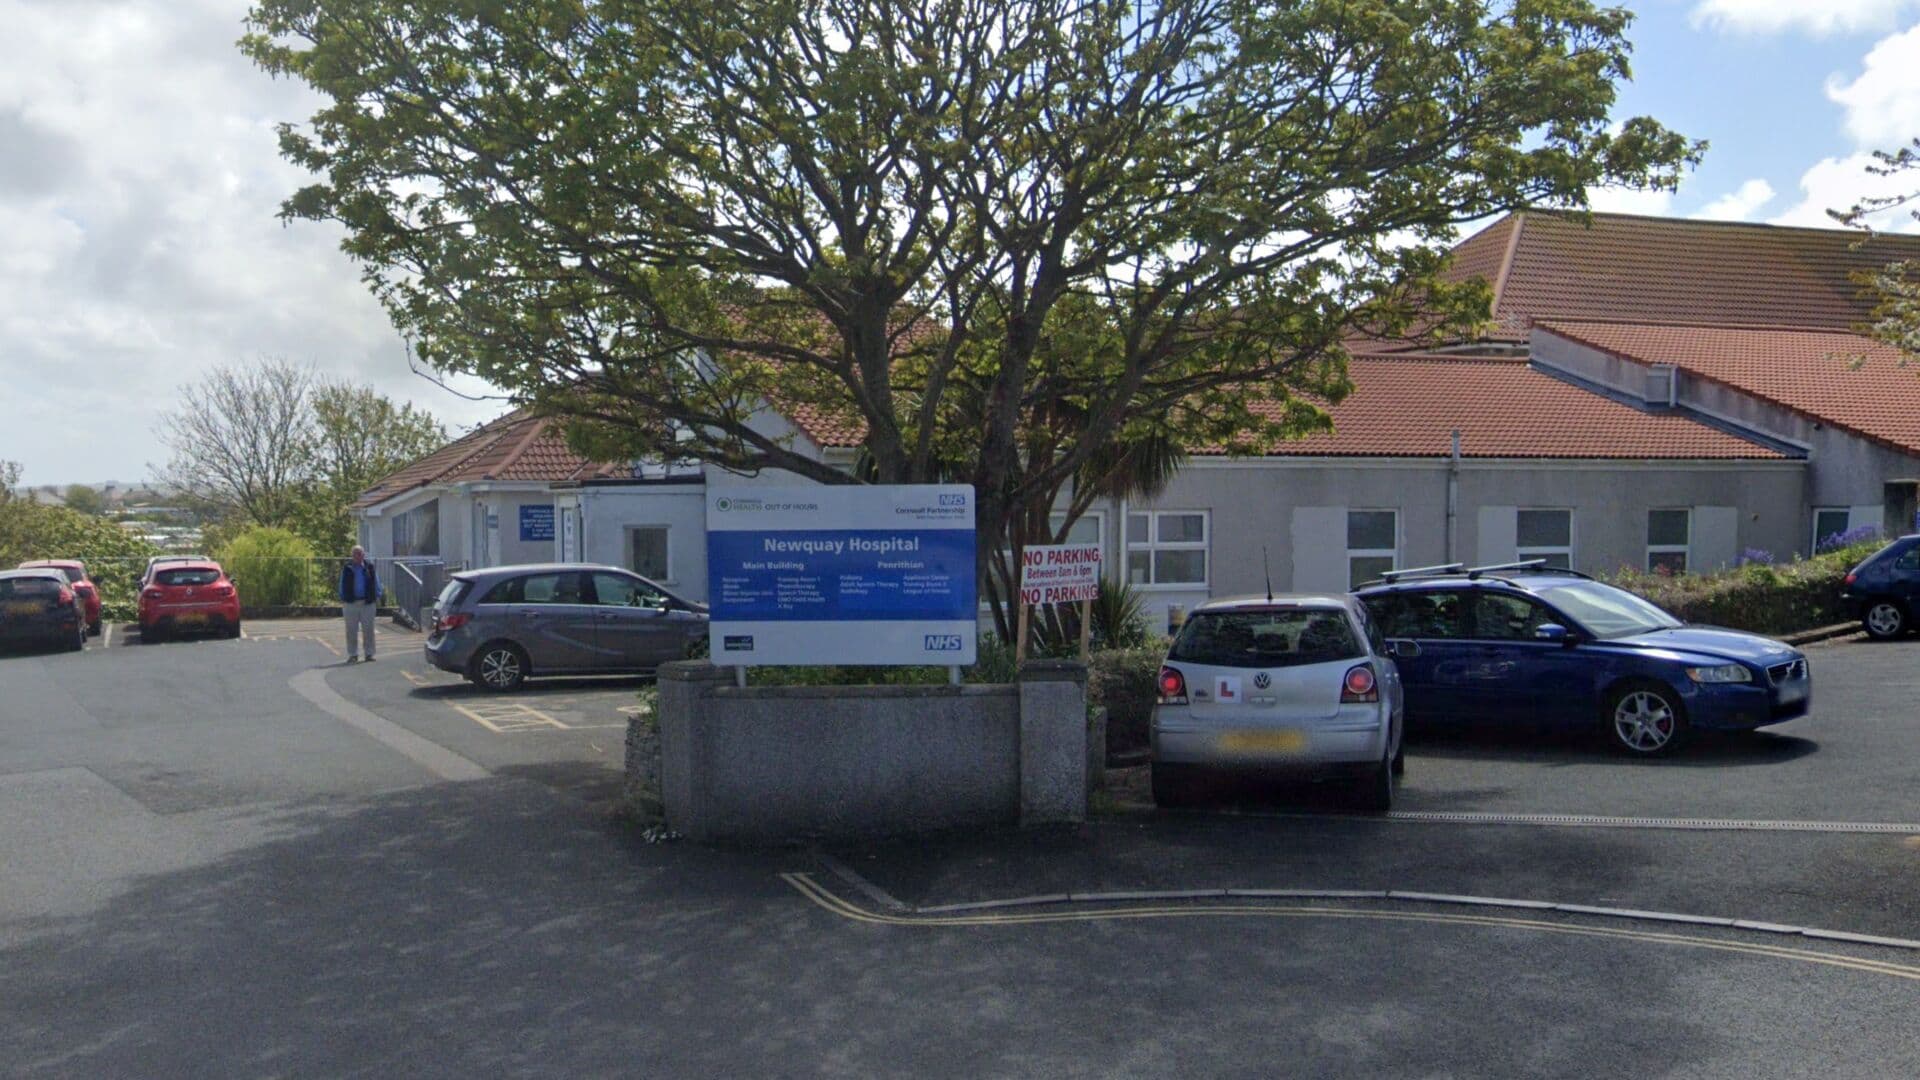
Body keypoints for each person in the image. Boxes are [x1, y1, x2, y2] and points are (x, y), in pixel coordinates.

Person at [339, 546, 380, 663]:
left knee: (369, 630)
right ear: (352, 556)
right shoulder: (347, 568)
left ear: (363, 555)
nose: (358, 556)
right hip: (350, 603)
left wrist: (376, 596)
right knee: (351, 630)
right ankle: (353, 654)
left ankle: (369, 654)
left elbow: (376, 583)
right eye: (355, 554)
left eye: (360, 553)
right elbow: (341, 584)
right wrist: (343, 598)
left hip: (367, 603)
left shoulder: (369, 567)